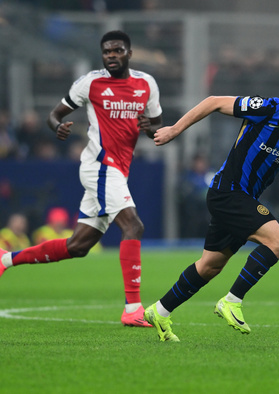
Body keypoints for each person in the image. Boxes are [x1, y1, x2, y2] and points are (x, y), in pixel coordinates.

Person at [143, 67, 279, 341]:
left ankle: (160, 311)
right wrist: (174, 130)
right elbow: (213, 101)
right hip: (227, 192)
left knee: (209, 266)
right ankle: (232, 300)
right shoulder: (266, 108)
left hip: (245, 199)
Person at [0, 31, 163, 326]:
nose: (111, 56)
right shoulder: (91, 82)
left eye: (117, 51)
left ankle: (5, 260)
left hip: (118, 170)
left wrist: (148, 128)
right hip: (99, 165)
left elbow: (157, 129)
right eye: (106, 52)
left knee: (78, 246)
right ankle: (133, 309)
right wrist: (57, 127)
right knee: (133, 226)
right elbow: (54, 114)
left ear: (129, 53)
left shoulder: (146, 84)